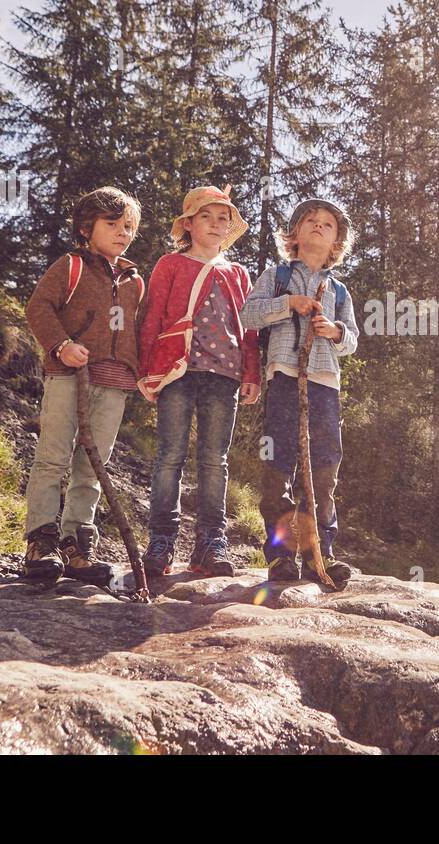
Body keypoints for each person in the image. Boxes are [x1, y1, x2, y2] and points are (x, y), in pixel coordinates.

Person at [22, 187, 146, 584]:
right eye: (112, 224)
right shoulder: (71, 266)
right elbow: (38, 307)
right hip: (68, 376)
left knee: (93, 466)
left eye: (128, 226)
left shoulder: (134, 281)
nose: (122, 232)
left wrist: (144, 372)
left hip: (115, 384)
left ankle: (77, 545)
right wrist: (61, 345)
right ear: (85, 227)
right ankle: (41, 542)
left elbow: (137, 330)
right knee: (53, 457)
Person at [136, 185, 261, 577]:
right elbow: (152, 317)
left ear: (230, 229)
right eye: (205, 216)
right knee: (169, 456)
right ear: (188, 224)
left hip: (224, 376)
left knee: (214, 460)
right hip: (178, 372)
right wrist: (146, 369)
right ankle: (161, 539)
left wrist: (251, 372)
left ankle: (210, 541)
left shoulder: (238, 273)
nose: (214, 224)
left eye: (222, 218)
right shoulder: (170, 265)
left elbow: (249, 328)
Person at [240, 198, 358, 587]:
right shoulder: (276, 276)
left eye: (327, 224)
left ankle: (318, 554)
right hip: (284, 380)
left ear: (337, 241)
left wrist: (335, 332)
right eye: (310, 221)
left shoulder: (339, 291)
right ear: (294, 234)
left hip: (324, 383)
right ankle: (280, 556)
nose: (319, 227)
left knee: (324, 470)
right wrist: (287, 303)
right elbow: (248, 315)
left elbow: (353, 337)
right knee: (279, 466)